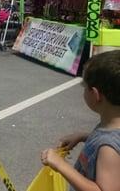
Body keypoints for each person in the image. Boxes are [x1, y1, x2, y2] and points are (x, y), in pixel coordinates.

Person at [41, 50, 120, 191]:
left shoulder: (108, 149)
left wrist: (61, 165)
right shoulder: (111, 126)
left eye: (84, 86)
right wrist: (84, 136)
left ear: (95, 94)